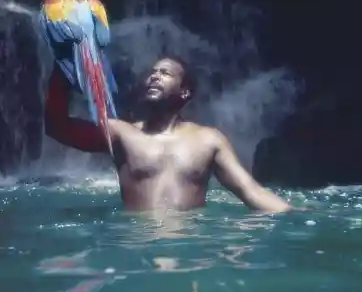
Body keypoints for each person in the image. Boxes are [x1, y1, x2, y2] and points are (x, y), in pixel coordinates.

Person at [44, 56, 292, 213]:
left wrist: (301, 220)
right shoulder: (121, 133)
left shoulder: (208, 140)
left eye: (165, 73)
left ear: (184, 92)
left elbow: (251, 191)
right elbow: (56, 127)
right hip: (134, 247)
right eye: (152, 73)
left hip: (191, 249)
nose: (154, 76)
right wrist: (62, 67)